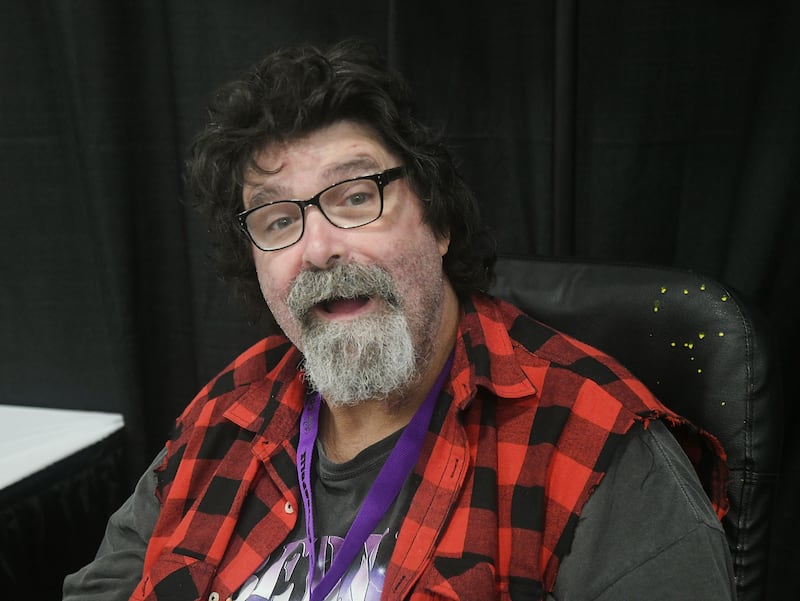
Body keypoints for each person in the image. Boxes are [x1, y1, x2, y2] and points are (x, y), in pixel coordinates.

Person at [64, 40, 735, 601]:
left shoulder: (593, 444)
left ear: (438, 220)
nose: (318, 247)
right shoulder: (223, 418)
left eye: (355, 198)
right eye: (277, 219)